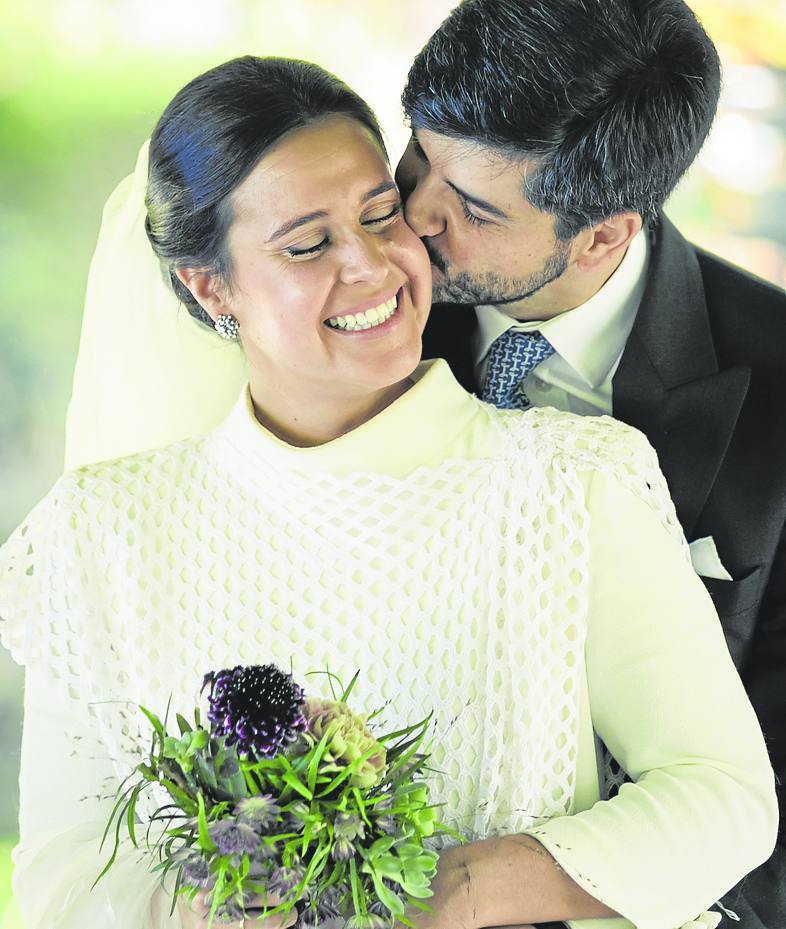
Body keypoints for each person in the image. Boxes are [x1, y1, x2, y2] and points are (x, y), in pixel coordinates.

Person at [0, 55, 777, 929]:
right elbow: (62, 880)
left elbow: (724, 799)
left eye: (381, 216)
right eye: (307, 243)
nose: (372, 265)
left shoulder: (575, 481)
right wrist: (223, 901)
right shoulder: (99, 531)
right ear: (210, 284)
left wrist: (460, 891)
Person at [393, 1, 786, 925]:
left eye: (474, 209)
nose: (412, 216)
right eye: (417, 155)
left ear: (604, 233)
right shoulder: (356, 308)